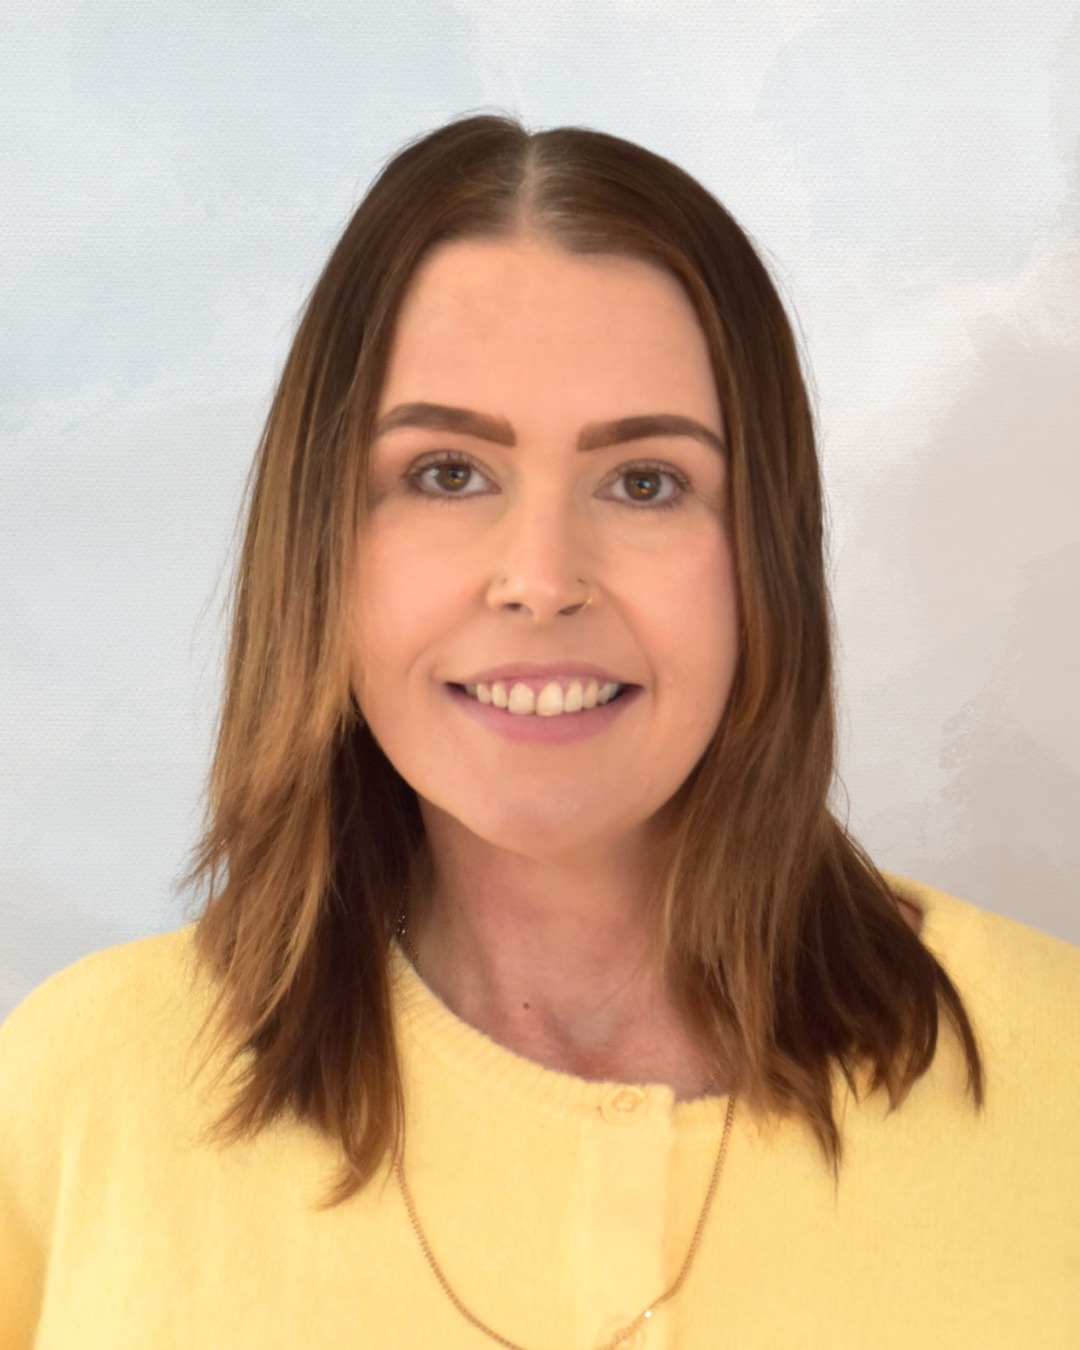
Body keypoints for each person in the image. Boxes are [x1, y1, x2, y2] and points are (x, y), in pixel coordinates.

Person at [1, 112, 1077, 1350]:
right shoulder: (76, 1096)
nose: (543, 579)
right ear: (321, 543)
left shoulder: (1062, 1077)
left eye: (646, 482)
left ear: (765, 557)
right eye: (448, 473)